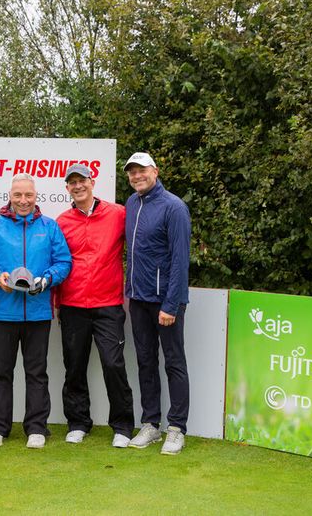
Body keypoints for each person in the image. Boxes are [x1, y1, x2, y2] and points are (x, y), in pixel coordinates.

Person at [0, 172, 72, 449]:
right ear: (10, 196)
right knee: (1, 372)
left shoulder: (50, 228)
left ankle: (36, 427)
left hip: (39, 313)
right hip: (4, 313)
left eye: (28, 195)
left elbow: (63, 262)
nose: (23, 200)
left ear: (35, 196)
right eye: (18, 195)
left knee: (36, 372)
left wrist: (48, 279)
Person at [54, 164, 135, 448]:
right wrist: (56, 302)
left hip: (108, 304)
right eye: (72, 182)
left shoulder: (117, 214)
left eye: (82, 181)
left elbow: (139, 242)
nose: (78, 186)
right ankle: (78, 423)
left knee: (113, 364)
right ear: (67, 188)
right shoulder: (62, 221)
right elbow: (57, 263)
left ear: (92, 182)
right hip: (72, 304)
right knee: (74, 366)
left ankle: (123, 426)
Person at [123, 152, 191, 455]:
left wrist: (170, 305)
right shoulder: (131, 204)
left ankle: (176, 428)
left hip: (166, 302)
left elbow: (180, 261)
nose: (137, 176)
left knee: (174, 362)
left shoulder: (174, 207)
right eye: (132, 172)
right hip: (138, 299)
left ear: (155, 171)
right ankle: (150, 424)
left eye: (142, 171)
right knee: (145, 361)